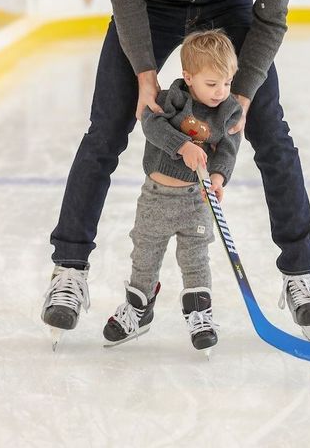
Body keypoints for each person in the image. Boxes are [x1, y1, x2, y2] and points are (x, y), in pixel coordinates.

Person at [41, 0, 310, 340]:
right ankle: (69, 269)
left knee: (270, 128)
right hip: (151, 2)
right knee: (106, 131)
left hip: (226, 7)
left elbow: (272, 18)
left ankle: (300, 271)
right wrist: (145, 75)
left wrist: (242, 95)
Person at [102, 30, 241, 350]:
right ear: (188, 77)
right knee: (145, 255)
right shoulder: (172, 99)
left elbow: (229, 148)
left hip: (196, 201)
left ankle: (200, 314)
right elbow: (150, 123)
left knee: (196, 259)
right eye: (212, 84)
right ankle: (138, 307)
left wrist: (218, 178)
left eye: (227, 83)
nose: (221, 91)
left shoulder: (229, 110)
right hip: (155, 198)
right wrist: (182, 147)